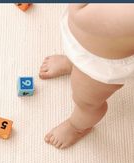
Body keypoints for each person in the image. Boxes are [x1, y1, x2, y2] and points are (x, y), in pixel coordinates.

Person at [39, 4, 134, 149]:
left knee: (86, 101)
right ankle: (73, 63)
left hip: (101, 65)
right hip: (84, 44)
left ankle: (77, 126)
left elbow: (80, 14)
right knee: (81, 49)